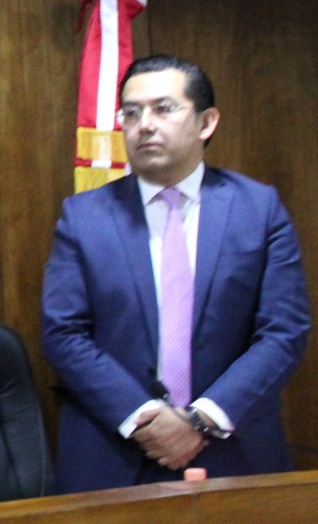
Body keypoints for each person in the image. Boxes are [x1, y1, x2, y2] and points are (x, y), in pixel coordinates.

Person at [42, 55, 309, 492]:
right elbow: (63, 333)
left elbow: (284, 331)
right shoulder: (84, 217)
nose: (144, 125)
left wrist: (203, 419)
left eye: (163, 109)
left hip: (234, 450)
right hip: (114, 452)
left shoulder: (258, 210)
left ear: (206, 122)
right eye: (131, 113)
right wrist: (145, 419)